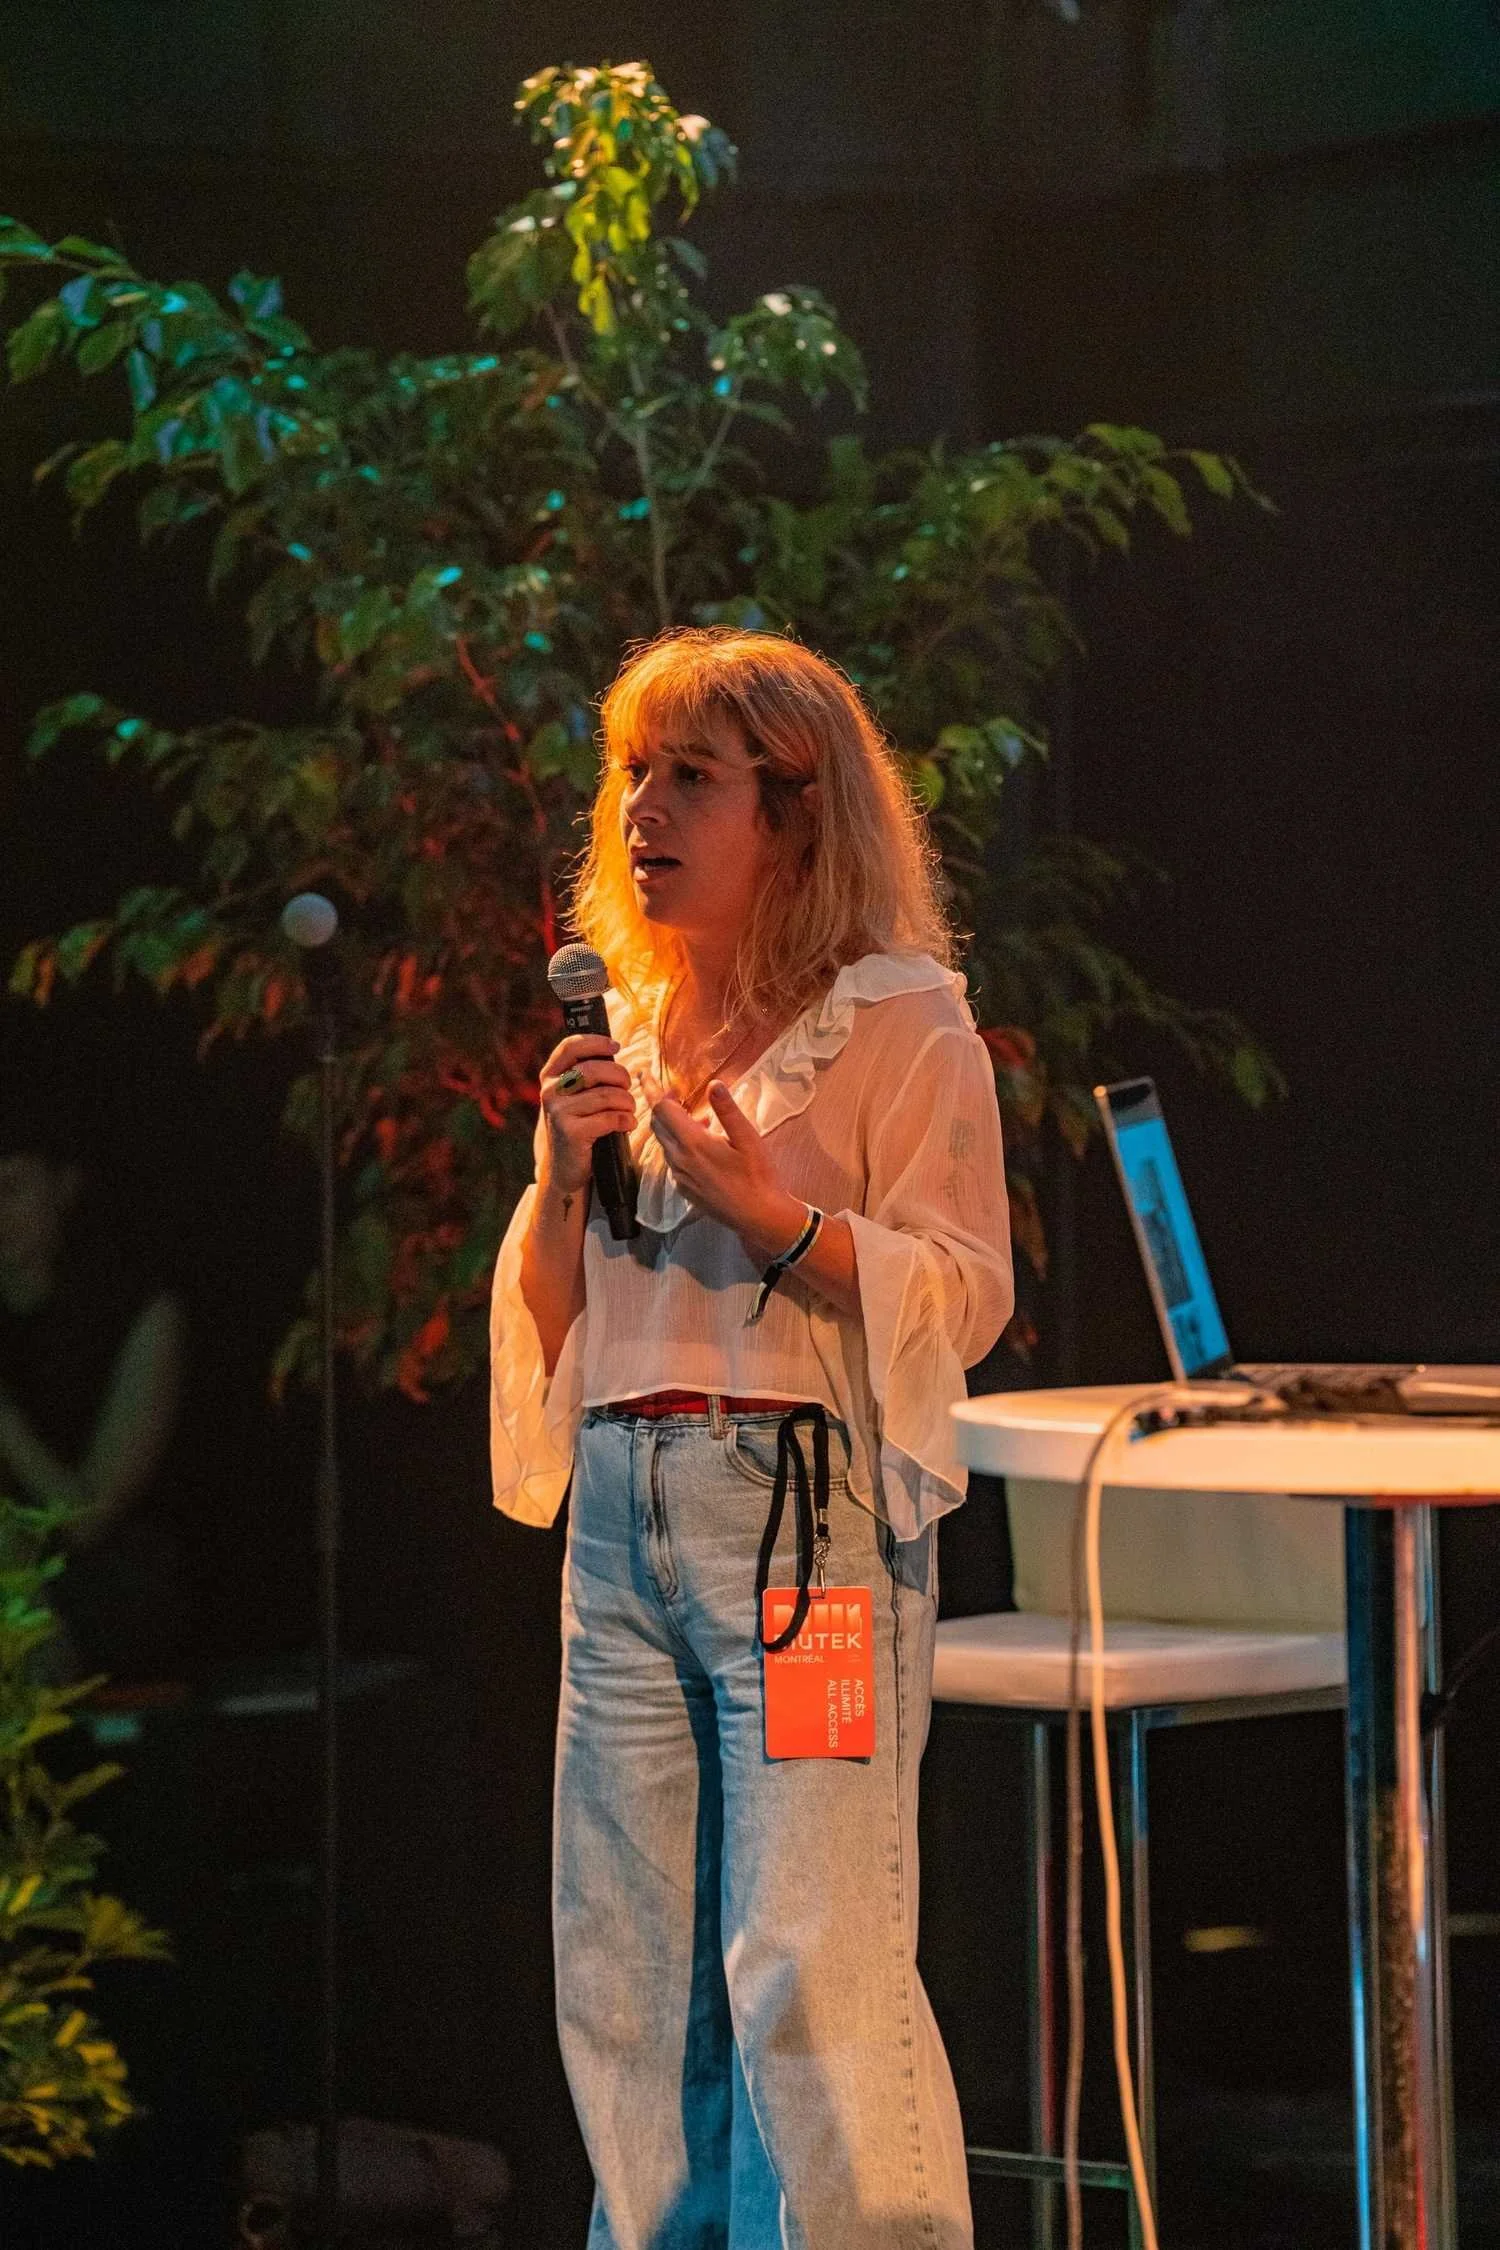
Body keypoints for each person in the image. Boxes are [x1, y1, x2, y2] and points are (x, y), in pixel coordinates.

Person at [489, 627, 1013, 2249]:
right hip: (624, 1521)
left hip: (801, 1532)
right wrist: (558, 1184)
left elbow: (966, 1289)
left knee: (807, 1953)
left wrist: (778, 1220)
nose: (641, 809)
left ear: (793, 815)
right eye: (632, 773)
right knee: (626, 1967)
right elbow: (556, 1326)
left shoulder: (900, 1017)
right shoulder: (627, 1035)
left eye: (692, 778)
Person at [0, 1121, 186, 1679]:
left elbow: (85, 1522)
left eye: (11, 1188)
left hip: (110, 1580)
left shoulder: (139, 1315)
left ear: (64, 1187)